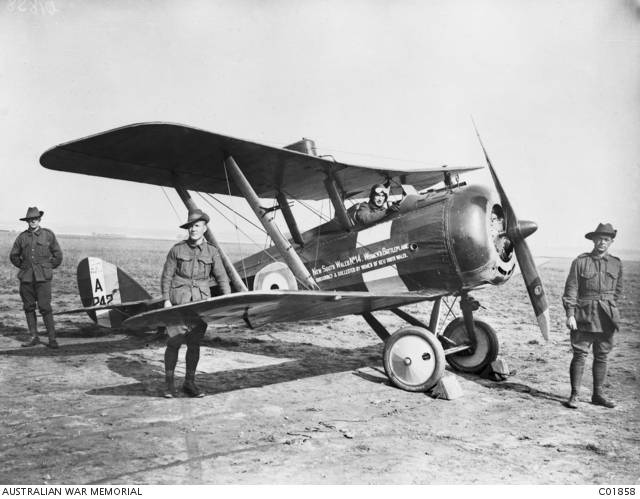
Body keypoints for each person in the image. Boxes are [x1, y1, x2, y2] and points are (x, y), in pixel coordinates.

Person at [160, 209, 231, 398]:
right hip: (178, 303)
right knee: (173, 343)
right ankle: (169, 386)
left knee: (194, 344)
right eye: (190, 226)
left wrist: (227, 300)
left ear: (204, 228)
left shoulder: (213, 252)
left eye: (197, 225)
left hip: (200, 303)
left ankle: (189, 384)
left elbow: (222, 277)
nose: (193, 229)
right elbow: (166, 277)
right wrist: (166, 300)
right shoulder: (177, 249)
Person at [562, 222, 623, 409]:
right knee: (580, 354)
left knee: (602, 355)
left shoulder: (616, 263)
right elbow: (571, 289)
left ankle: (598, 394)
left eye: (606, 239)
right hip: (584, 315)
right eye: (599, 239)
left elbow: (618, 291)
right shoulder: (580, 262)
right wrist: (570, 314)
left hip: (606, 317)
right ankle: (575, 395)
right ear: (594, 240)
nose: (602, 243)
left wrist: (610, 307)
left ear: (611, 242)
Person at [9, 206, 63, 348]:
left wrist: (48, 267)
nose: (33, 221)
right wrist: (24, 266)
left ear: (39, 219)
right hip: (26, 278)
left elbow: (58, 255)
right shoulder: (22, 237)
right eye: (30, 219)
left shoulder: (48, 235)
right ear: (27, 221)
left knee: (45, 307)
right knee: (28, 307)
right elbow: (13, 256)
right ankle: (34, 337)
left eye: (35, 219)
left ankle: (52, 339)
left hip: (43, 279)